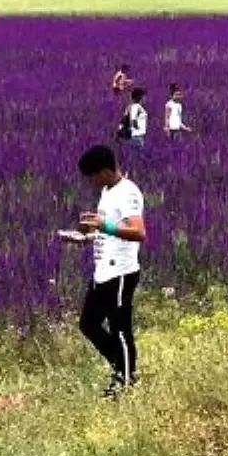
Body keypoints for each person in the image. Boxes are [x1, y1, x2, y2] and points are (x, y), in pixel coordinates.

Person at [60, 145, 147, 398]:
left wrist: (104, 225)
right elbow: (107, 231)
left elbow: (138, 232)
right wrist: (83, 236)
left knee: (121, 329)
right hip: (102, 272)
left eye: (93, 177)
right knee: (88, 324)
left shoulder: (128, 193)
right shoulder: (108, 191)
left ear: (107, 171)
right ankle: (123, 369)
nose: (90, 182)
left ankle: (126, 380)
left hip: (121, 273)